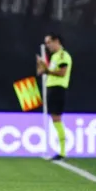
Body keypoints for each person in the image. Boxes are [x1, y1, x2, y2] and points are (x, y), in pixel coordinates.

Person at [36, 33, 73, 161]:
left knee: (57, 118)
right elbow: (41, 73)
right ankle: (61, 150)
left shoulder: (63, 55)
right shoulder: (54, 57)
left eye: (49, 42)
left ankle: (62, 151)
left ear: (56, 41)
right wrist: (41, 66)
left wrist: (46, 70)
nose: (48, 46)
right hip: (51, 88)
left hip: (58, 89)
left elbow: (62, 73)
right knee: (54, 118)